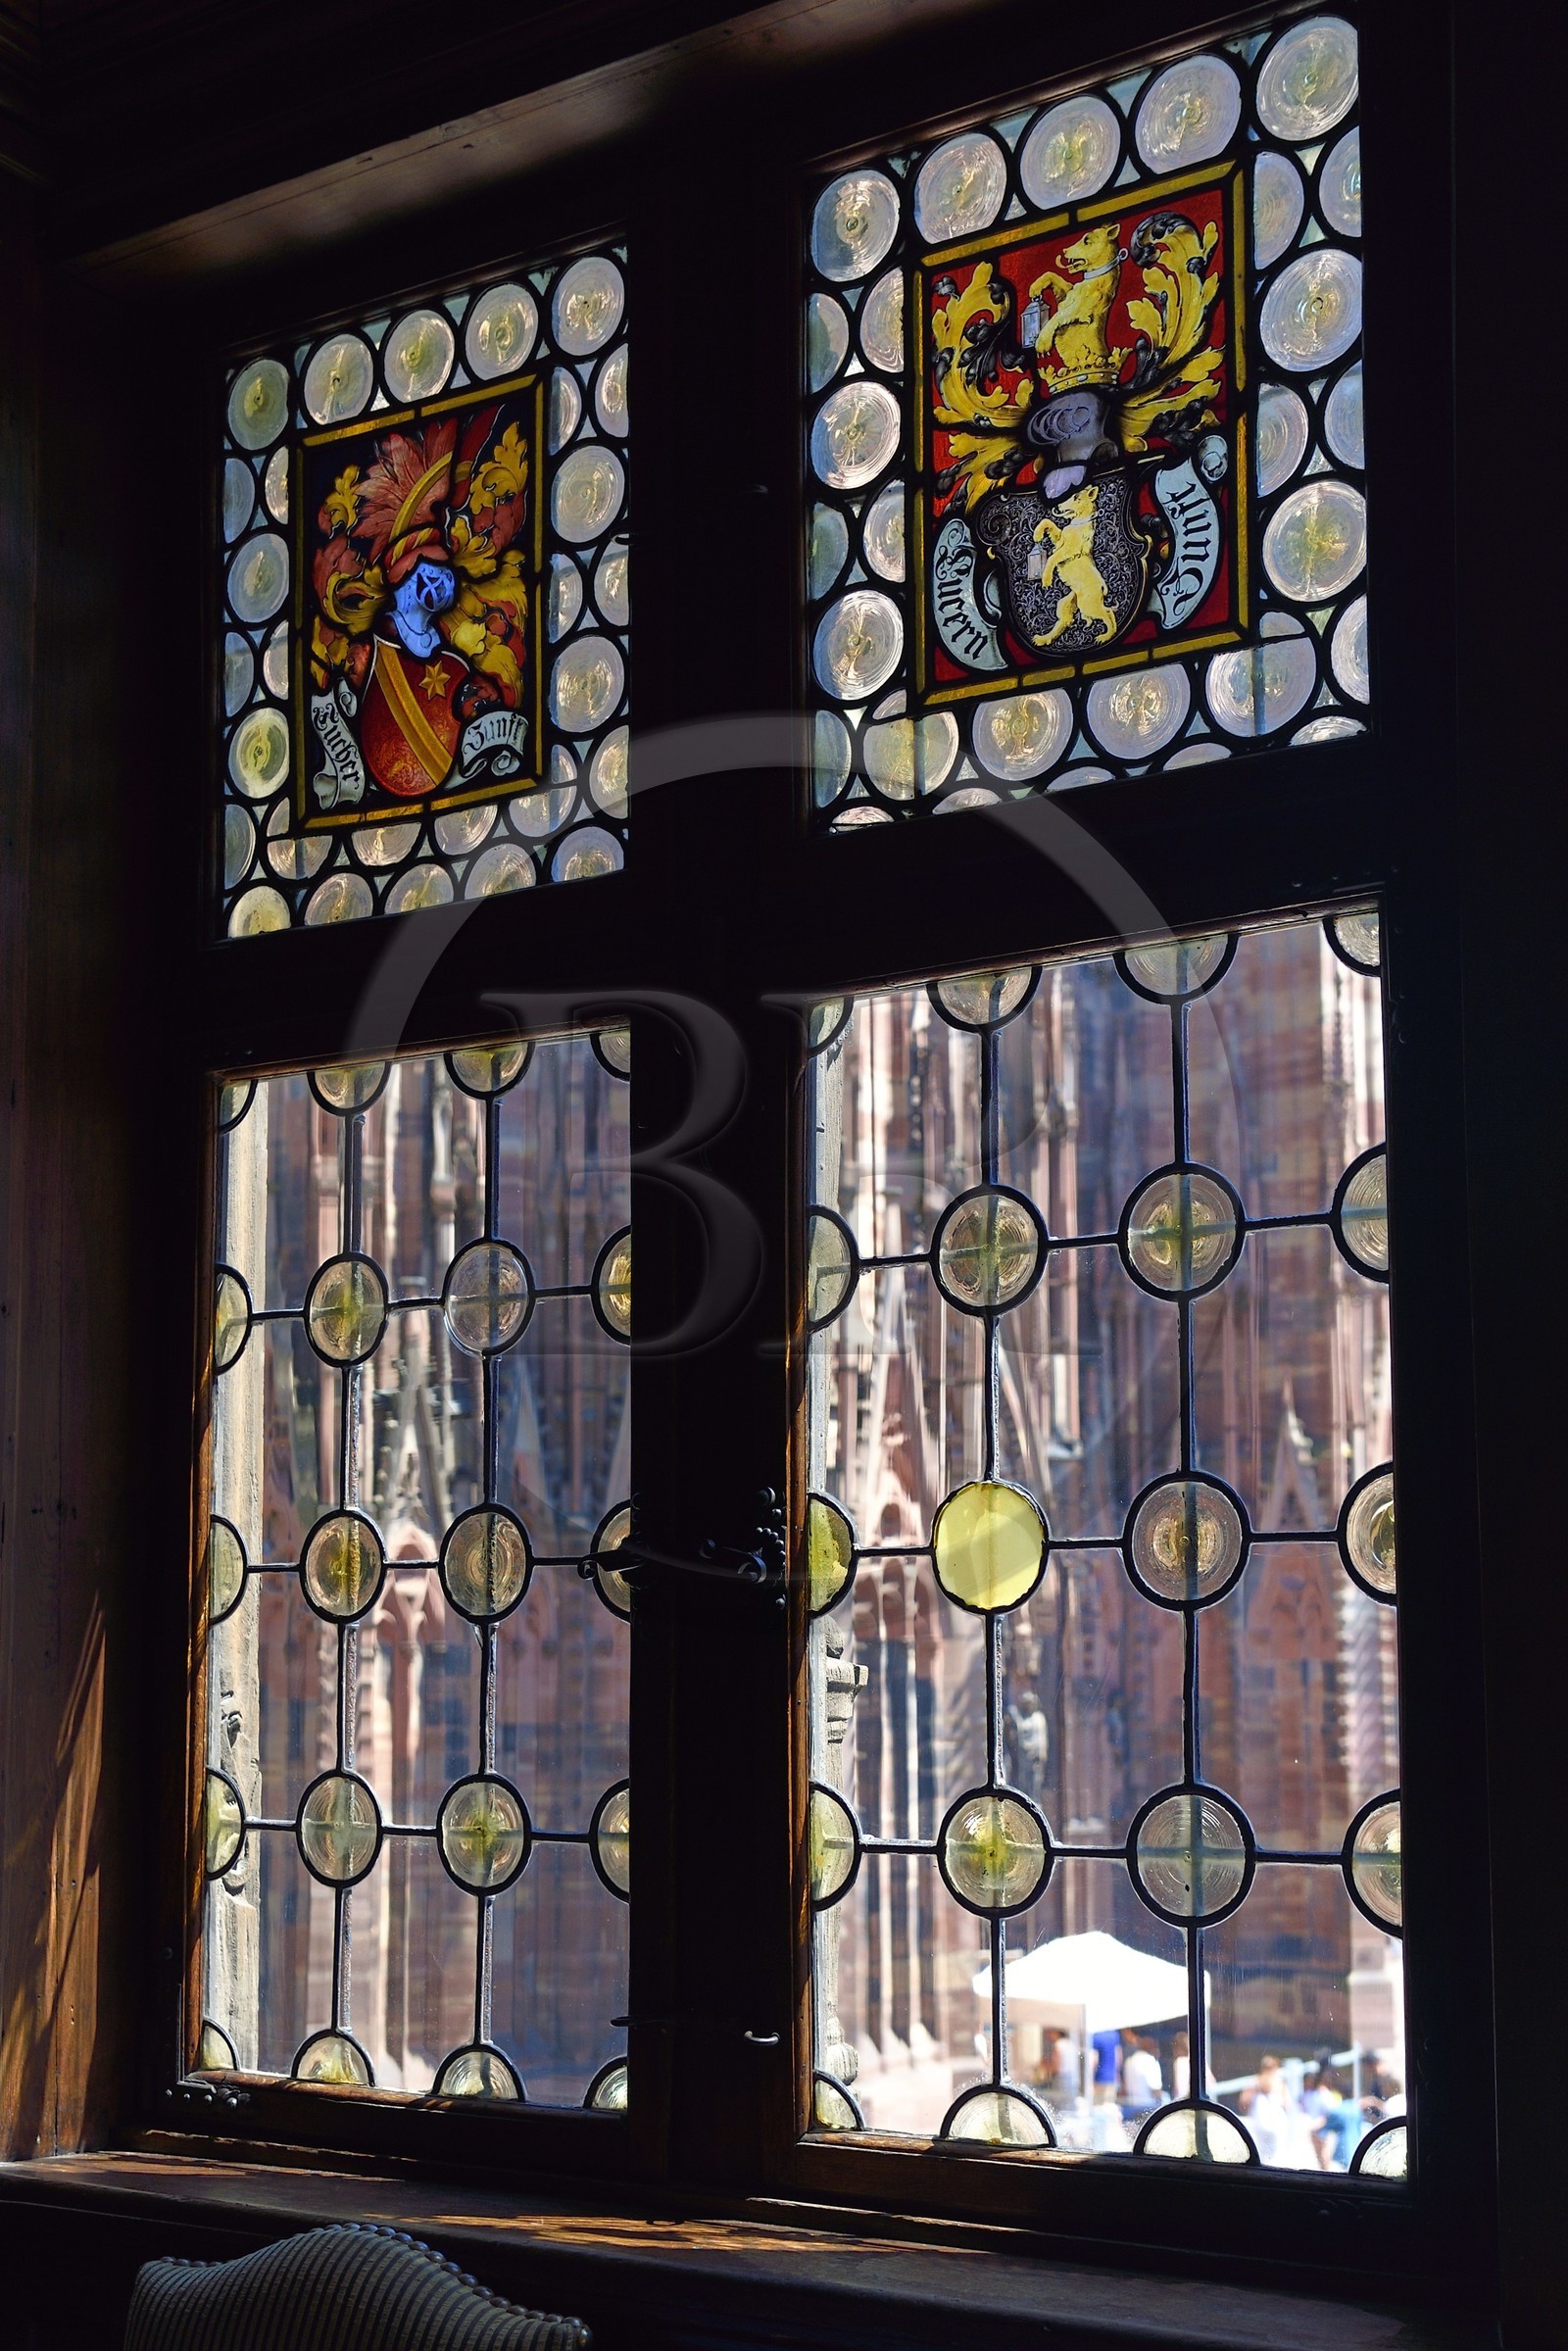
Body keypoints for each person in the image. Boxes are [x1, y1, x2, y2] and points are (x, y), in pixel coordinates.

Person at [1313, 2068, 1366, 2171]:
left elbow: (1319, 2131)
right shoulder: (1356, 2110)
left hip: (1342, 2158)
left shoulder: (1338, 2111)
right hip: (1356, 2155)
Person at [1244, 2053, 1290, 2165]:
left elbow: (1288, 2103)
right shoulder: (1254, 2082)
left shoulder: (1280, 2083)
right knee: (1260, 2154)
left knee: (1276, 2157)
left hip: (1276, 2125)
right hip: (1260, 2125)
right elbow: (1244, 2102)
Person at [1120, 2030, 1163, 2124]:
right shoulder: (1150, 2061)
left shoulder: (1129, 2061)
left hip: (1130, 2108)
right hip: (1148, 2108)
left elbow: (1125, 2087)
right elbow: (1156, 2089)